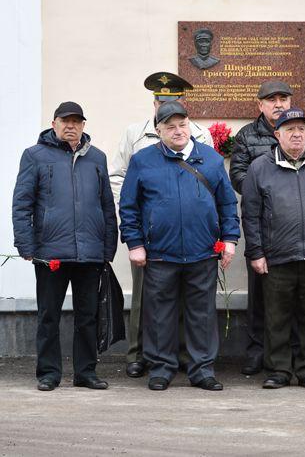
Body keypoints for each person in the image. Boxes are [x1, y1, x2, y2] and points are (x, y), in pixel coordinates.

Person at [119, 101, 240, 391]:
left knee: (202, 313)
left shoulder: (210, 159)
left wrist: (231, 240)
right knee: (160, 313)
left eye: (182, 124)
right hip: (160, 253)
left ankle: (202, 369)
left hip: (202, 251)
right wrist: (135, 243)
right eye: (169, 126)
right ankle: (161, 368)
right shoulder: (143, 160)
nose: (177, 131)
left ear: (190, 125)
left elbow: (227, 203)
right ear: (158, 130)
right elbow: (129, 206)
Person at [109, 71, 213, 379]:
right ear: (154, 102)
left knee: (185, 296)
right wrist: (139, 217)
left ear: (183, 101)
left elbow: (208, 180)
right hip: (148, 232)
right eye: (160, 101)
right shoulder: (135, 133)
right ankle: (138, 354)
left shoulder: (200, 134)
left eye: (173, 100)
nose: (165, 105)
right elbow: (118, 176)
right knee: (146, 297)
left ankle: (181, 353)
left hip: (187, 234)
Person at [12, 101, 118, 391]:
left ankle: (85, 372)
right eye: (65, 120)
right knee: (49, 315)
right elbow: (22, 204)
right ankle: (48, 373)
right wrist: (26, 244)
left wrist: (109, 247)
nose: (70, 126)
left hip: (89, 253)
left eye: (76, 121)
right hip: (50, 252)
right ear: (54, 123)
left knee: (88, 315)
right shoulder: (34, 156)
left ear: (84, 125)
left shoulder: (97, 158)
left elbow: (107, 205)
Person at [242, 108, 305, 389]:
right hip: (277, 257)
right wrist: (256, 252)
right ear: (277, 135)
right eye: (290, 129)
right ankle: (278, 370)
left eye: (302, 129)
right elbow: (250, 215)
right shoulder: (260, 168)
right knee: (277, 317)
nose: (297, 134)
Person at [229, 80, 305, 376]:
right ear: (260, 105)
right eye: (271, 99)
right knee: (263, 299)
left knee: (301, 301)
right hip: (266, 229)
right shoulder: (246, 136)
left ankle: (298, 357)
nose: (279, 104)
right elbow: (238, 175)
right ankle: (259, 352)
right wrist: (272, 187)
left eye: (284, 98)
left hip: (302, 236)